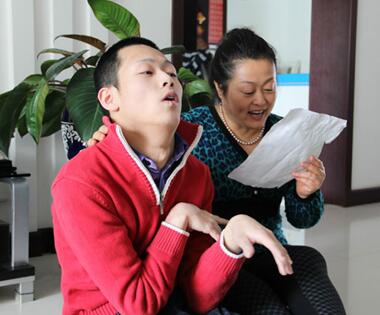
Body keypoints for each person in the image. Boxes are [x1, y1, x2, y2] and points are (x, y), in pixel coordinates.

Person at [85, 29, 346, 315]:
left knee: (311, 267)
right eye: (247, 91)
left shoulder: (286, 132)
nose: (260, 100)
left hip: (268, 250)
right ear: (220, 89)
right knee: (270, 306)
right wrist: (109, 138)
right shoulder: (188, 133)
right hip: (213, 259)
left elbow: (303, 219)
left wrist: (306, 192)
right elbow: (139, 147)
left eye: (269, 88)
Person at [52, 36, 293, 315]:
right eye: (147, 72)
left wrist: (229, 243)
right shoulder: (82, 182)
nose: (167, 79)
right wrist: (178, 220)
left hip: (172, 302)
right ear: (110, 98)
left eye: (171, 73)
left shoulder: (196, 174)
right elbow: (138, 305)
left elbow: (196, 297)